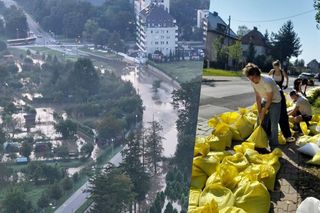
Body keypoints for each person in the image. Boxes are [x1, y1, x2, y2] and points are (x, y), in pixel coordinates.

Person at [243, 63, 281, 150]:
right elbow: (258, 96)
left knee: (273, 124)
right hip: (265, 99)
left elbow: (270, 99)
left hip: (275, 101)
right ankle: (260, 141)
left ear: (257, 74)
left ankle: (273, 145)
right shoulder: (253, 82)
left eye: (253, 78)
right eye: (250, 78)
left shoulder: (266, 82)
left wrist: (263, 111)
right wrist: (260, 111)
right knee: (260, 120)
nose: (251, 80)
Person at [269, 60, 295, 142]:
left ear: (279, 66)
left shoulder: (282, 71)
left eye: (276, 66)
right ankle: (268, 133)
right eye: (274, 66)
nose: (275, 68)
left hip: (279, 93)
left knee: (283, 114)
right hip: (272, 93)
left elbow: (287, 77)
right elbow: (267, 77)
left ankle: (287, 135)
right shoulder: (272, 71)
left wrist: (286, 84)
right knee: (270, 114)